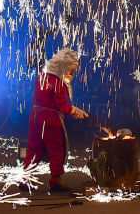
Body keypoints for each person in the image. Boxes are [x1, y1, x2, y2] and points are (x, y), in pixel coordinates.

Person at [22, 48, 89, 192]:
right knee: (57, 150)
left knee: (34, 149)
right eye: (71, 71)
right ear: (63, 67)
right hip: (51, 121)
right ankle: (56, 180)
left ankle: (25, 180)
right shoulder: (57, 82)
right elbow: (62, 105)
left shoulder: (42, 77)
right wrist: (75, 111)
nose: (72, 75)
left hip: (35, 117)